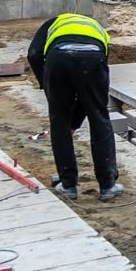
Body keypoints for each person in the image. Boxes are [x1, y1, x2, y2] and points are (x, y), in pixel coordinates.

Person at [26, 11, 122, 201]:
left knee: (59, 123)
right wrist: (77, 119)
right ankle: (107, 185)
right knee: (99, 117)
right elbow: (89, 98)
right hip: (93, 58)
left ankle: (68, 184)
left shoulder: (53, 23)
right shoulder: (97, 28)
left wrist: (49, 89)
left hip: (59, 57)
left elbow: (34, 54)